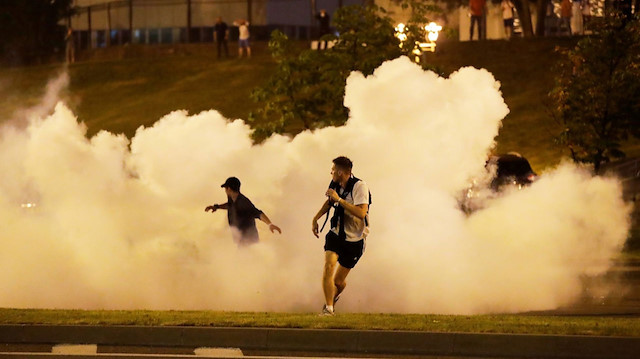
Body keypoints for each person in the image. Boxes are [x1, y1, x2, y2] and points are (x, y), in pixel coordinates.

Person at [311, 156, 370, 316]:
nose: (331, 173)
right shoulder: (335, 184)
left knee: (338, 282)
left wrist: (340, 200)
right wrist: (316, 217)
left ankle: (333, 298)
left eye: (333, 171)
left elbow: (361, 212)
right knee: (329, 265)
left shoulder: (359, 186)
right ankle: (329, 309)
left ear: (341, 172)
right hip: (336, 233)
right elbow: (330, 202)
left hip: (354, 239)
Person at [205, 177, 281, 246]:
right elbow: (230, 205)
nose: (225, 191)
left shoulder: (243, 202)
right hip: (241, 239)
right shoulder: (232, 199)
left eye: (225, 188)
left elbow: (258, 213)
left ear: (229, 189)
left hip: (249, 239)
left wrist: (269, 224)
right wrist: (217, 207)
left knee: (245, 259)